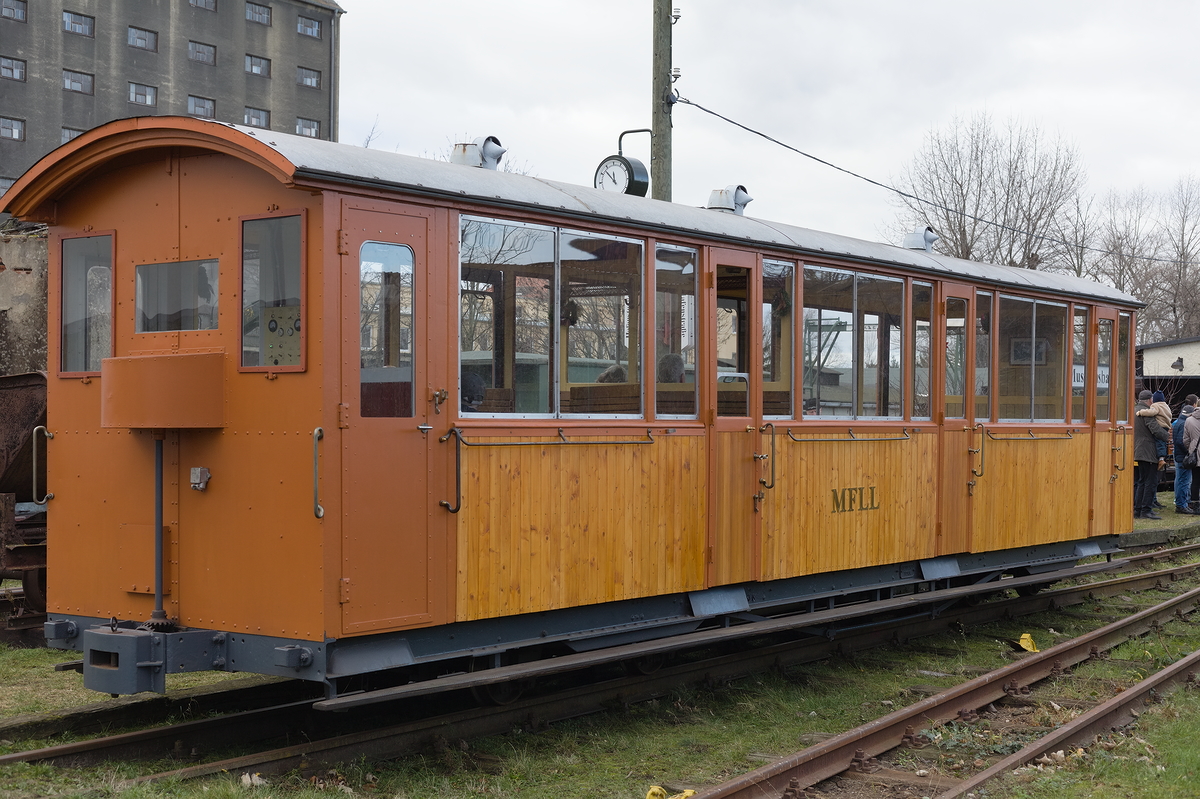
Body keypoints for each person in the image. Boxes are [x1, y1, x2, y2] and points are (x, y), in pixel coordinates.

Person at [1133, 389, 1169, 520]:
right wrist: (1167, 435)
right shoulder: (1147, 414)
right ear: (1150, 400)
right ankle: (1146, 510)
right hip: (1148, 451)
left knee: (1141, 481)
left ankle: (1138, 510)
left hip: (1138, 450)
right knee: (1150, 481)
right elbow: (1155, 430)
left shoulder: (1134, 410)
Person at [1172, 405, 1194, 514]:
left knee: (1180, 480)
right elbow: (1181, 442)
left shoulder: (1178, 422)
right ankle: (1182, 505)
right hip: (1183, 457)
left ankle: (1180, 503)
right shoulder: (1184, 423)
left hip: (1179, 456)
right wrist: (1190, 451)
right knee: (1184, 482)